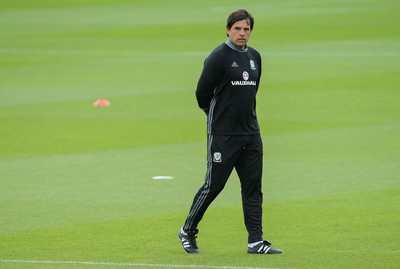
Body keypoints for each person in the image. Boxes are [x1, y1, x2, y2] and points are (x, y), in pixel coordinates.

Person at [178, 9, 283, 255]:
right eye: (237, 28)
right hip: (223, 136)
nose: (242, 33)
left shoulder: (255, 57)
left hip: (251, 134)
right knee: (213, 186)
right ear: (228, 29)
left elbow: (251, 92)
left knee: (253, 188)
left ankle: (255, 241)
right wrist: (217, 118)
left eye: (246, 29)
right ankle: (188, 230)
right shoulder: (218, 57)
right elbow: (202, 94)